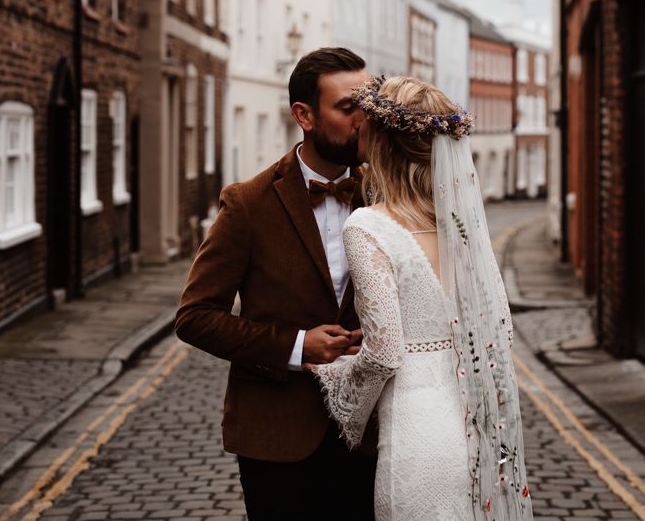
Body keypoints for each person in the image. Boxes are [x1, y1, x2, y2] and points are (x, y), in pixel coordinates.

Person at [306, 76, 533, 521]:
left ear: (383, 140)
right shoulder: (463, 226)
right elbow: (500, 327)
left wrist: (335, 378)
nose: (357, 127)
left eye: (366, 120)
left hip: (418, 437)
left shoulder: (368, 226)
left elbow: (386, 354)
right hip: (481, 433)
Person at [175, 47, 376, 521]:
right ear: (303, 115)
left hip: (371, 433)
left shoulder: (387, 195)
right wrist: (298, 346)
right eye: (348, 107)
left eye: (368, 104)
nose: (363, 120)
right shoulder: (247, 204)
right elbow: (195, 318)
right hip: (277, 438)